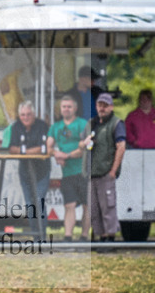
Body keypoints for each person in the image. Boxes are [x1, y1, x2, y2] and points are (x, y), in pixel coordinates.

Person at [80, 93, 126, 244]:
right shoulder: (91, 123)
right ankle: (102, 237)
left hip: (106, 173)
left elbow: (121, 147)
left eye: (105, 105)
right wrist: (85, 142)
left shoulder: (116, 123)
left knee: (108, 207)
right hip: (91, 174)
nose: (102, 108)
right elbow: (80, 145)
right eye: (100, 105)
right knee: (94, 209)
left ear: (111, 107)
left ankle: (110, 238)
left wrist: (113, 171)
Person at [48, 96, 90, 242]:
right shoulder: (55, 127)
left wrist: (65, 156)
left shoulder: (83, 124)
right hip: (67, 174)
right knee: (69, 205)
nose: (66, 109)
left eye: (69, 106)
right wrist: (55, 153)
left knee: (87, 205)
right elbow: (48, 147)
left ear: (75, 108)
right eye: (63, 107)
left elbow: (84, 148)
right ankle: (68, 236)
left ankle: (84, 236)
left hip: (84, 171)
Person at [8, 101, 51, 237]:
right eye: (23, 115)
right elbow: (11, 148)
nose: (25, 117)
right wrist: (27, 151)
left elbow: (43, 148)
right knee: (29, 205)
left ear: (34, 114)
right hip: (25, 172)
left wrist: (23, 151)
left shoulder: (42, 126)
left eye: (28, 114)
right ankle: (35, 236)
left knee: (39, 202)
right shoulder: (15, 127)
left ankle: (42, 236)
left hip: (41, 171)